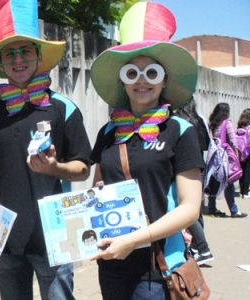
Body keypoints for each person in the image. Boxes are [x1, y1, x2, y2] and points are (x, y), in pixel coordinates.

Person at [0, 1, 92, 299]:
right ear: (0, 61)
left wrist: (55, 169)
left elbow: (83, 168)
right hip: (5, 234)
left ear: (39, 57)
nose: (18, 59)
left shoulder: (63, 109)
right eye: (9, 53)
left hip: (56, 233)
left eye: (26, 51)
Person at [89, 2, 204, 299]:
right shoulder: (108, 132)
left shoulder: (181, 130)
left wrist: (135, 239)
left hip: (156, 266)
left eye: (151, 72)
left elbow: (190, 207)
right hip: (112, 260)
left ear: (164, 79)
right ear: (123, 82)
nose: (141, 80)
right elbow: (97, 188)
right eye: (132, 73)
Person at [174, 98, 214, 265]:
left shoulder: (179, 123)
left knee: (188, 211)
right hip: (200, 167)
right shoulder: (200, 119)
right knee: (195, 209)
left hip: (184, 169)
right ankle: (197, 247)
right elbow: (208, 143)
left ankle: (203, 249)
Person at [207, 102, 247, 218]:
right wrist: (237, 157)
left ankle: (212, 207)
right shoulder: (227, 123)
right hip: (225, 157)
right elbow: (234, 141)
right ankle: (234, 210)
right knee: (229, 182)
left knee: (214, 182)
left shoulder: (212, 124)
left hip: (214, 156)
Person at [237, 108, 250, 198]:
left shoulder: (239, 126)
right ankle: (245, 192)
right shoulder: (249, 128)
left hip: (240, 151)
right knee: (248, 172)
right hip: (248, 152)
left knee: (242, 171)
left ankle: (242, 191)